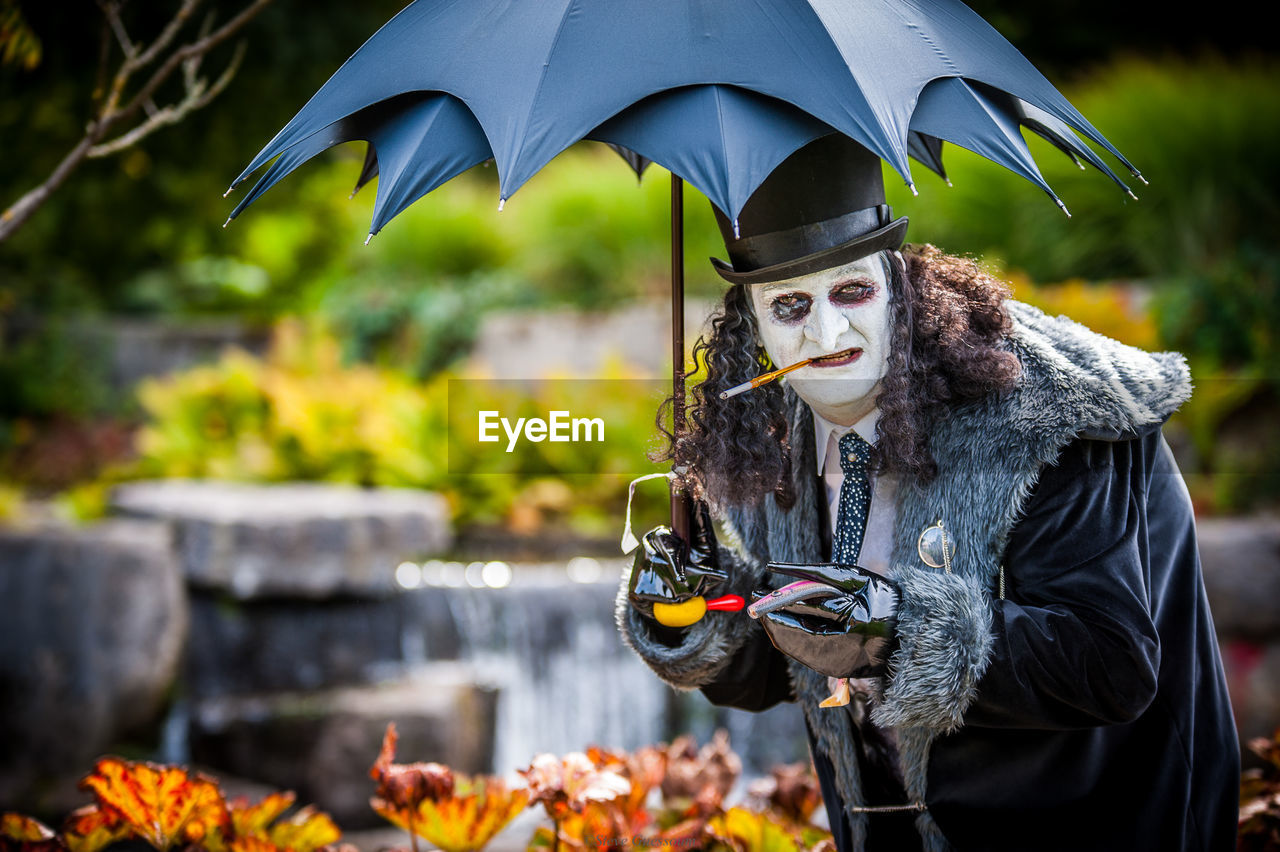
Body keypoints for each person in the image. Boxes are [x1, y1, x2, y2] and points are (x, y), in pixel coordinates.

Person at [616, 134, 1240, 852]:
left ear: (899, 285)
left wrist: (895, 630)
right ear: (751, 324)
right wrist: (703, 609)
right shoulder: (767, 435)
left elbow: (1110, 664)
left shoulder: (1047, 417)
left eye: (851, 290)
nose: (825, 331)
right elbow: (799, 661)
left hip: (1098, 823)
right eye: (789, 305)